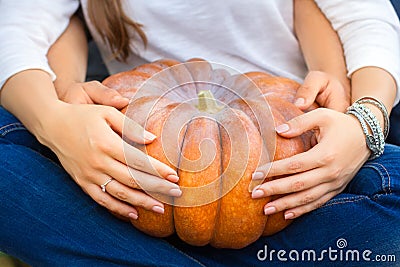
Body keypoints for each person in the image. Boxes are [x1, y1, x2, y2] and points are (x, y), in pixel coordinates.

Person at [0, 0, 399, 266]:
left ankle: (137, 253)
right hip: (142, 164)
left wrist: (365, 122)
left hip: (287, 157)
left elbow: (368, 20)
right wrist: (54, 122)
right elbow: (16, 28)